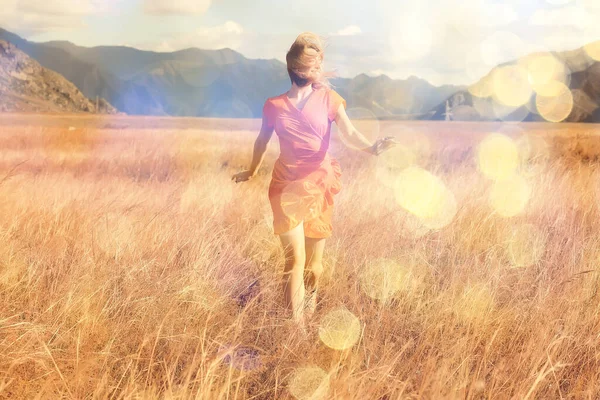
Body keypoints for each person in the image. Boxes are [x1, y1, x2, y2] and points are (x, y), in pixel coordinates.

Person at [231, 32, 396, 327]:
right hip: (285, 186)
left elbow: (348, 133)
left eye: (317, 64)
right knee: (293, 260)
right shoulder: (274, 105)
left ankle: (309, 310)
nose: (314, 70)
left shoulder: (329, 99)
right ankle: (296, 331)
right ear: (294, 68)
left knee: (314, 268)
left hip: (320, 183)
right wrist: (253, 170)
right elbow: (261, 142)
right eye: (308, 65)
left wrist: (372, 148)